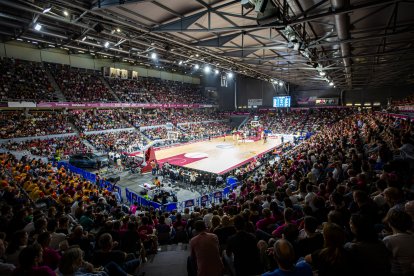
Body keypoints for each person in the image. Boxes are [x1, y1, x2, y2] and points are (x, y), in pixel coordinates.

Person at [383, 209, 414, 276]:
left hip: (399, 272)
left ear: (390, 224)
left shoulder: (388, 239)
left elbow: (384, 258)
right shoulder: (411, 235)